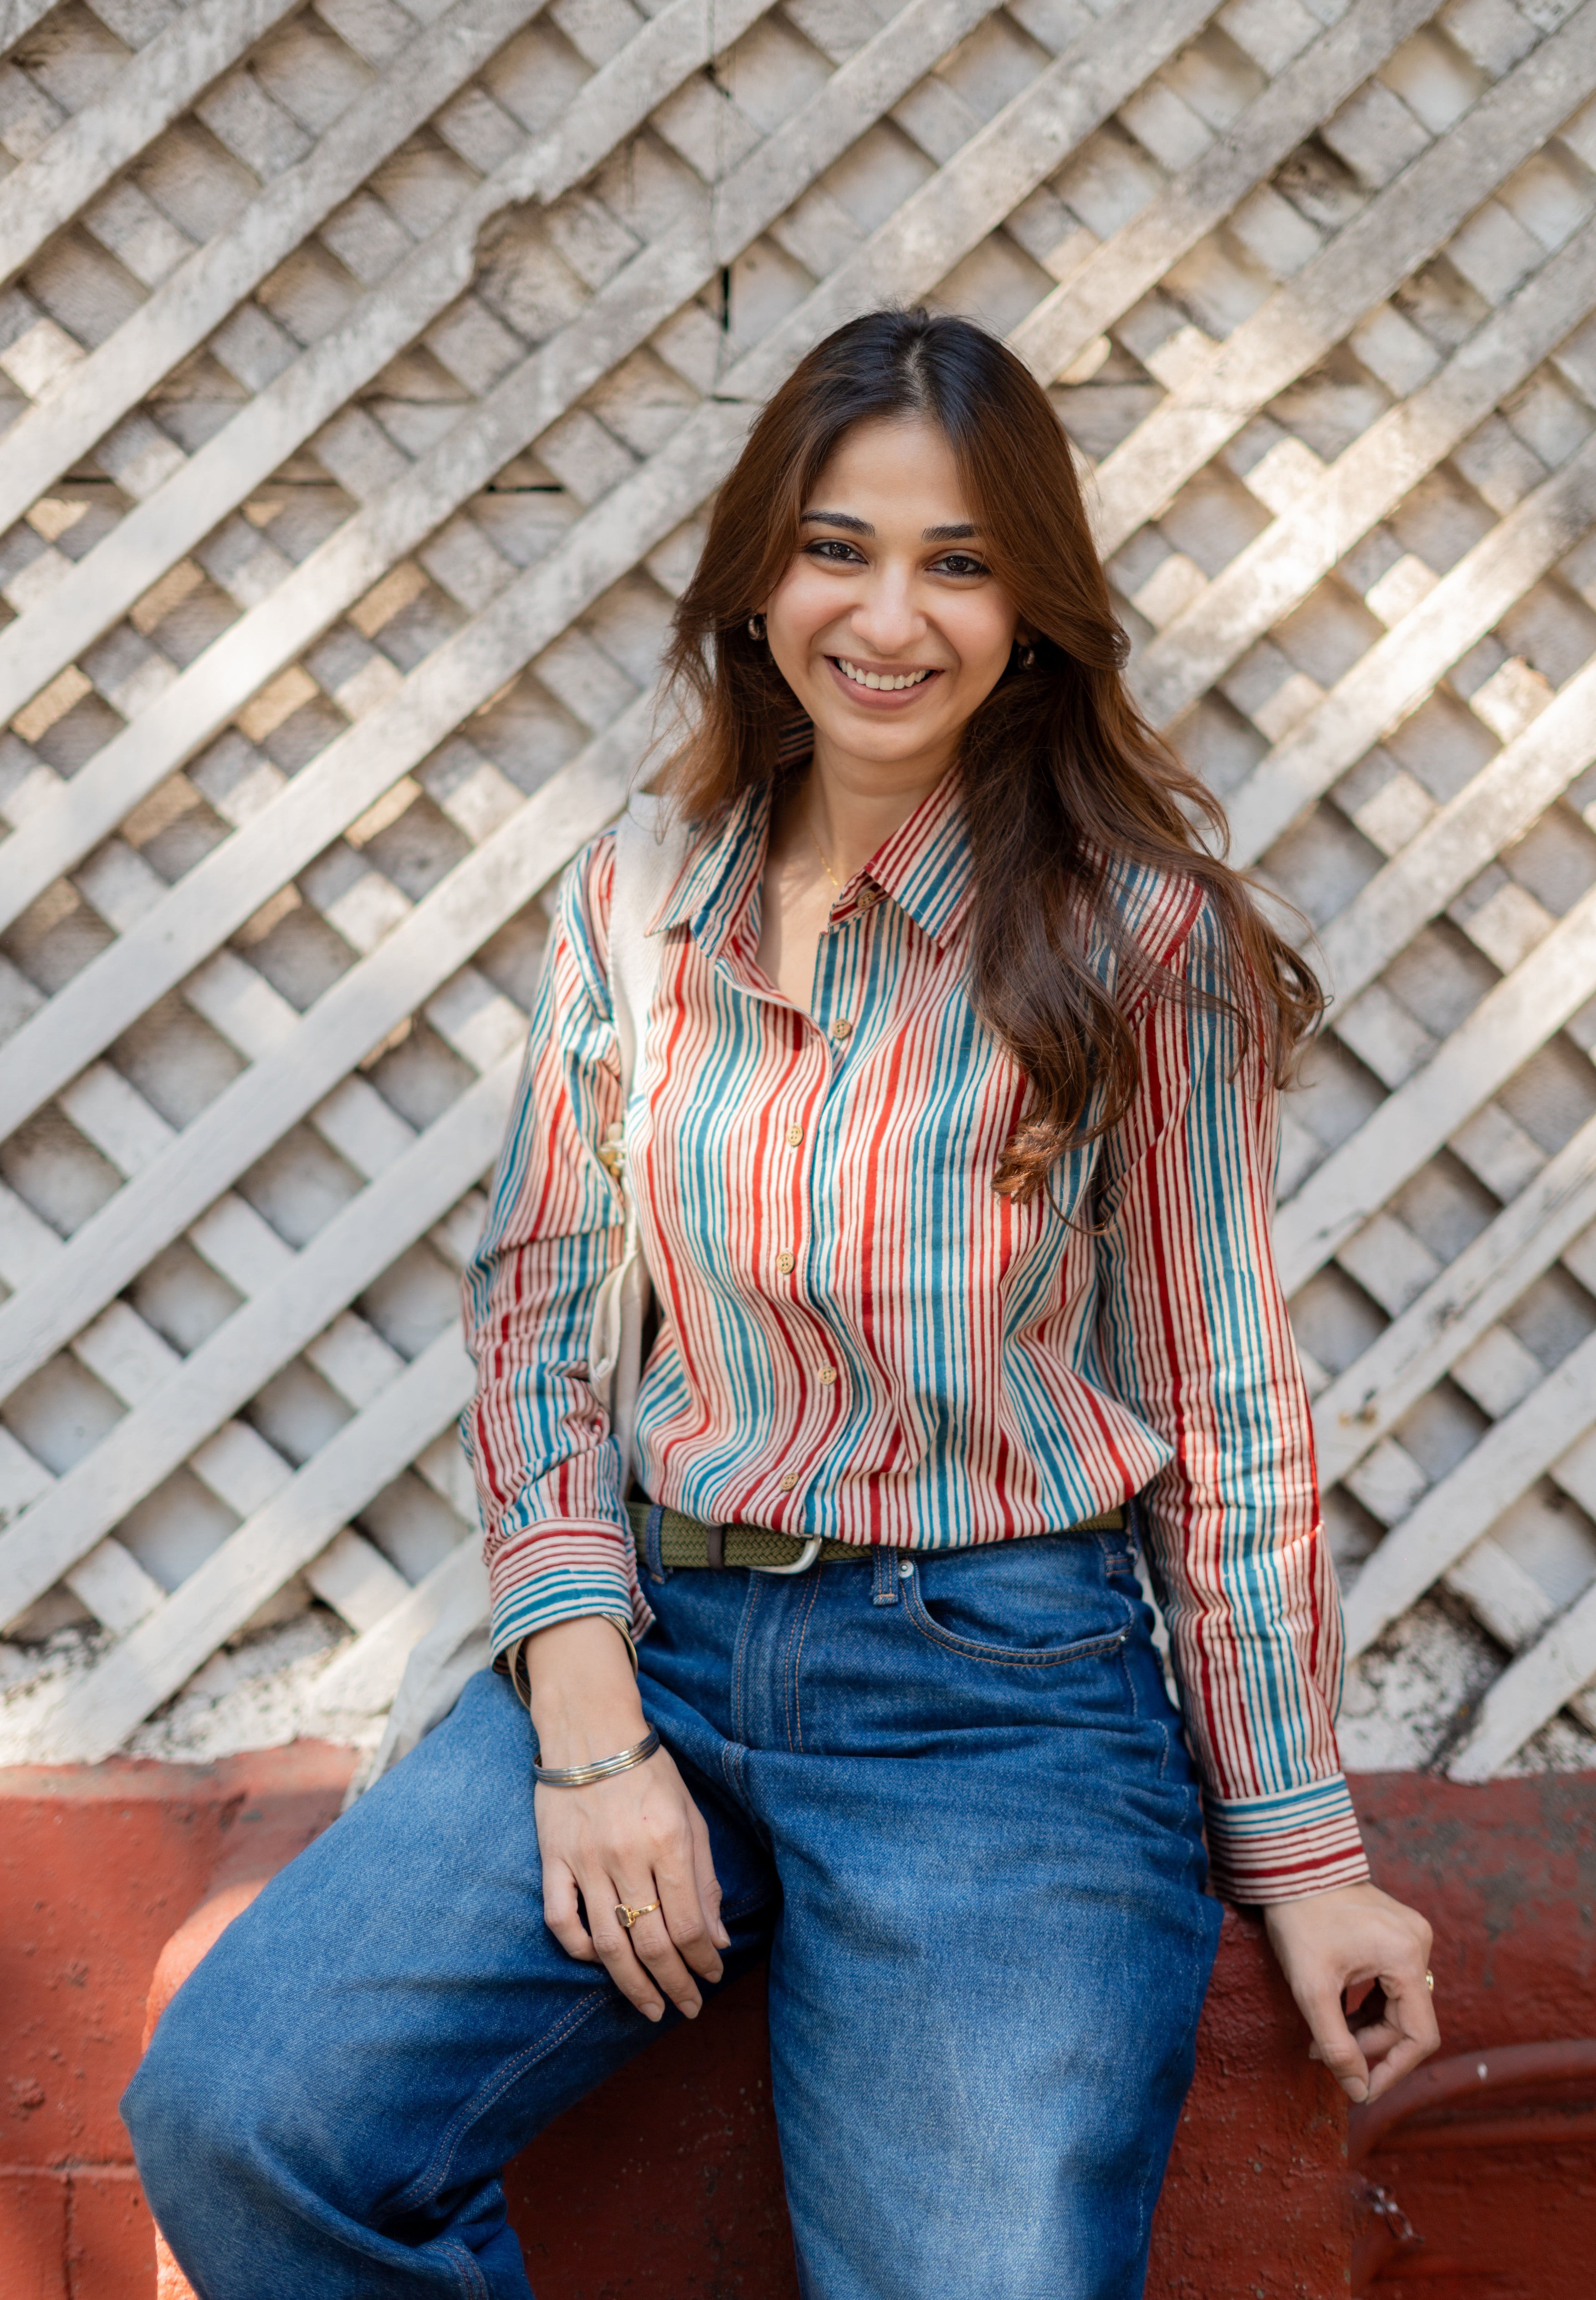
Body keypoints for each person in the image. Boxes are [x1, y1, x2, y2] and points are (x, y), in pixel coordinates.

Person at [126, 308, 1438, 2299]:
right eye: (838, 546)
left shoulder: (1129, 933)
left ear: (1035, 612)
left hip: (997, 1703)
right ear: (757, 577)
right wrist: (583, 1723)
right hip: (658, 1640)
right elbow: (545, 1322)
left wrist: (1308, 1847)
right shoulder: (637, 897)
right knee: (250, 2116)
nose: (889, 615)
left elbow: (1231, 1394)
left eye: (962, 561)